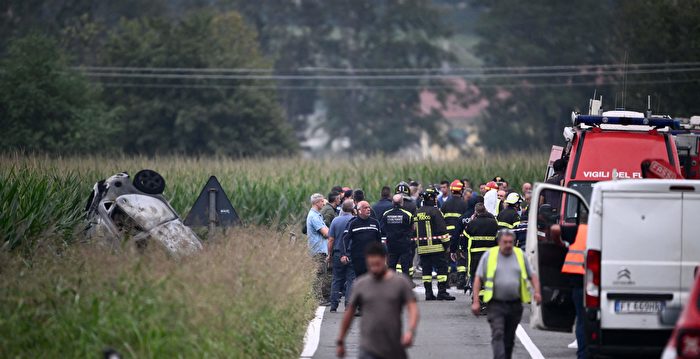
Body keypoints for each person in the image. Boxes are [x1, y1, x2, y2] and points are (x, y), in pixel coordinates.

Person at [336, 242, 419, 359]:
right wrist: (341, 340)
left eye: (377, 264)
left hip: (394, 349)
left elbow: (413, 308)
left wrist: (411, 331)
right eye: (371, 265)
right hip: (368, 349)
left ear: (385, 259)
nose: (374, 268)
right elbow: (349, 313)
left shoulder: (400, 283)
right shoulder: (361, 284)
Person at [472, 229, 542, 359]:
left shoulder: (520, 255)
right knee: (498, 333)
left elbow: (532, 276)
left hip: (515, 305)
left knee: (509, 339)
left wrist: (537, 292)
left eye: (511, 242)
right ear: (499, 242)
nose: (508, 245)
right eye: (505, 242)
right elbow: (478, 278)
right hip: (495, 304)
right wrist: (476, 301)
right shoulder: (489, 255)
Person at [414, 187, 455, 301]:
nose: (436, 199)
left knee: (426, 271)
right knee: (442, 269)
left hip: (422, 248)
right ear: (431, 198)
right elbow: (442, 230)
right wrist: (447, 245)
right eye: (435, 197)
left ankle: (428, 293)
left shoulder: (418, 212)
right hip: (436, 248)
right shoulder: (435, 211)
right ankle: (442, 292)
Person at [560, 217, 588, 359]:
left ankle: (582, 353)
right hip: (598, 279)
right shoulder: (607, 229)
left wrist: (559, 243)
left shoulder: (577, 229)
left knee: (581, 319)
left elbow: (554, 229)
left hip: (578, 279)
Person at [459, 202, 498, 300]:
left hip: (475, 255)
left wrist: (462, 250)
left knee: (476, 276)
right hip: (491, 254)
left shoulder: (472, 223)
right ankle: (488, 298)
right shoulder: (493, 223)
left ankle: (476, 298)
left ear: (476, 212)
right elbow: (498, 238)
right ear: (485, 210)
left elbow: (465, 237)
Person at [328, 200, 357, 312]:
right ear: (352, 209)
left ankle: (333, 305)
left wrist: (329, 254)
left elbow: (331, 240)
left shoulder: (335, 220)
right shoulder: (354, 220)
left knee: (336, 279)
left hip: (337, 252)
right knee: (351, 279)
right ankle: (348, 305)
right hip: (351, 253)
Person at [342, 201, 382, 279]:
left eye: (369, 207)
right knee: (361, 280)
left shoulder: (375, 223)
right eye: (365, 208)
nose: (368, 209)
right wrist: (344, 254)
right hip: (358, 258)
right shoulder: (352, 223)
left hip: (372, 257)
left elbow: (379, 241)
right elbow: (345, 239)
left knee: (373, 279)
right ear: (359, 210)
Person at [442, 179, 469, 289]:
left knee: (447, 258)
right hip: (460, 235)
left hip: (448, 235)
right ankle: (461, 281)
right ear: (461, 190)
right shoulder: (464, 204)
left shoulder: (445, 203)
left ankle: (446, 282)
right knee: (461, 258)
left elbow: (441, 219)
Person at [380, 194, 415, 280]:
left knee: (391, 267)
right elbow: (413, 228)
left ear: (392, 202)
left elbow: (383, 228)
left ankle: (390, 286)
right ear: (402, 203)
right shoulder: (408, 215)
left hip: (391, 245)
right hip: (405, 245)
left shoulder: (386, 214)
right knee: (405, 267)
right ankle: (406, 286)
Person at [307, 193, 331, 305]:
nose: (324, 203)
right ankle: (317, 299)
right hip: (318, 250)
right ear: (316, 203)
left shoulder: (317, 215)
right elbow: (326, 233)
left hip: (321, 249)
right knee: (319, 275)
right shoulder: (314, 216)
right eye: (322, 201)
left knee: (322, 274)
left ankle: (319, 298)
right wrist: (333, 232)